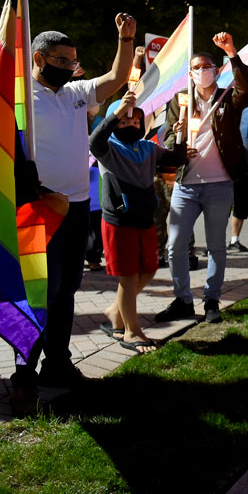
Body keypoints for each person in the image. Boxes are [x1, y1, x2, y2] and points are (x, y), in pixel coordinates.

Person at [9, 14, 135, 416]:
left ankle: (57, 365)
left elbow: (116, 77)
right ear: (38, 57)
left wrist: (125, 39)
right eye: (60, 61)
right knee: (37, 294)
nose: (68, 68)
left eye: (71, 61)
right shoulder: (20, 96)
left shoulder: (77, 92)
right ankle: (23, 375)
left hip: (78, 206)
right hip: (38, 207)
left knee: (65, 291)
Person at [157, 32, 248, 325]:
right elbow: (170, 136)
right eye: (197, 68)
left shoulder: (228, 96)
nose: (202, 71)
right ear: (189, 73)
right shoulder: (181, 99)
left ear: (216, 69)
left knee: (216, 246)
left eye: (207, 66)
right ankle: (182, 299)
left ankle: (212, 299)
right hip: (186, 184)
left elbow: (247, 89)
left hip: (219, 183)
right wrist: (176, 137)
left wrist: (231, 53)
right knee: (175, 245)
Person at [91, 90, 192, 353]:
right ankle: (131, 332)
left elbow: (176, 159)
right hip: (119, 221)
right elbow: (95, 141)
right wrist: (115, 114)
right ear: (114, 123)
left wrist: (180, 136)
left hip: (144, 218)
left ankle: (116, 311)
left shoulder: (148, 148)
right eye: (124, 122)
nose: (131, 125)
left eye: (135, 121)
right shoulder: (109, 149)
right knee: (129, 275)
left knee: (148, 268)